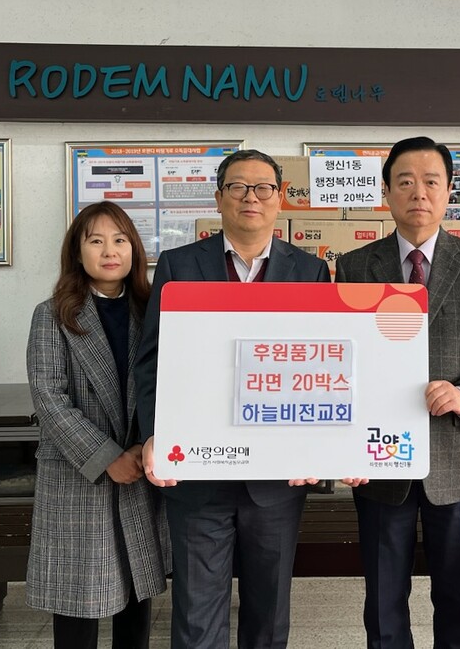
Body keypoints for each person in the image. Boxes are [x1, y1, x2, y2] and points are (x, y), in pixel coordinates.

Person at [135, 149, 329, 649]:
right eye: (238, 187)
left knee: (269, 616)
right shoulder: (179, 265)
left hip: (277, 479)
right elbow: (153, 360)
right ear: (219, 198)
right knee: (197, 617)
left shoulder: (309, 270)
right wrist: (155, 435)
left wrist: (318, 449)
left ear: (280, 199)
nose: (251, 197)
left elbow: (320, 367)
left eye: (263, 187)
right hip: (198, 472)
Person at [334, 137, 460, 649]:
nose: (419, 192)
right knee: (383, 601)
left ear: (449, 191)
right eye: (406, 181)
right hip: (379, 462)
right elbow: (341, 362)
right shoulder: (354, 267)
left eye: (431, 181)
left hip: (457, 460)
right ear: (386, 192)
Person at [27, 201, 169, 649]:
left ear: (134, 250)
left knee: (135, 592)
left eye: (120, 240)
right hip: (79, 474)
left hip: (140, 468)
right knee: (77, 600)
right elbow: (49, 399)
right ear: (77, 251)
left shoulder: (151, 310)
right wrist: (107, 457)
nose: (110, 251)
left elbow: (168, 384)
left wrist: (143, 446)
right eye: (96, 241)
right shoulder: (53, 314)